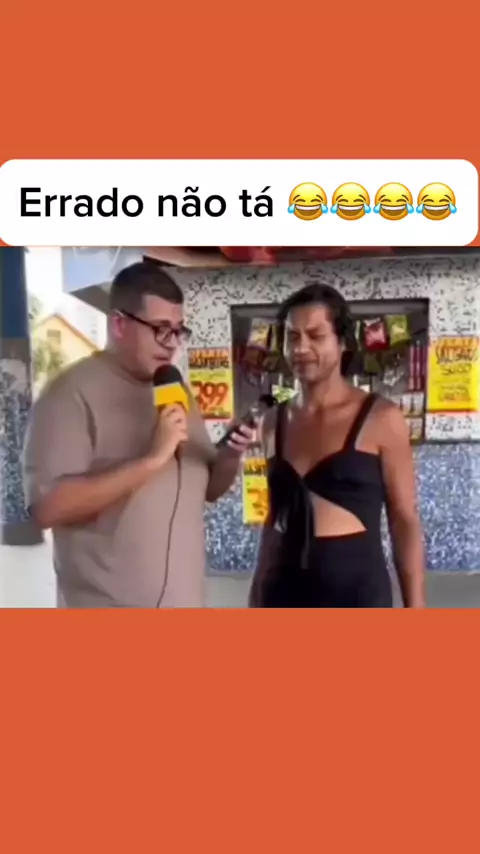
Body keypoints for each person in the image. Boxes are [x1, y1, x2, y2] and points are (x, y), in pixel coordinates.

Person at [23, 261, 254, 608]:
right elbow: (47, 509)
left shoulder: (176, 391)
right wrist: (151, 460)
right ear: (119, 324)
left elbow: (208, 489)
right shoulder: (69, 394)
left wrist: (232, 453)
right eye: (160, 329)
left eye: (178, 331)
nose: (172, 344)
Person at [249, 283, 426, 609]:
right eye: (292, 336)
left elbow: (404, 518)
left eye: (315, 336)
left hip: (355, 595)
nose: (300, 347)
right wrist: (256, 592)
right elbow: (275, 515)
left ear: (342, 342)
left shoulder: (381, 418)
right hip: (281, 591)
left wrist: (416, 608)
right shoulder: (273, 421)